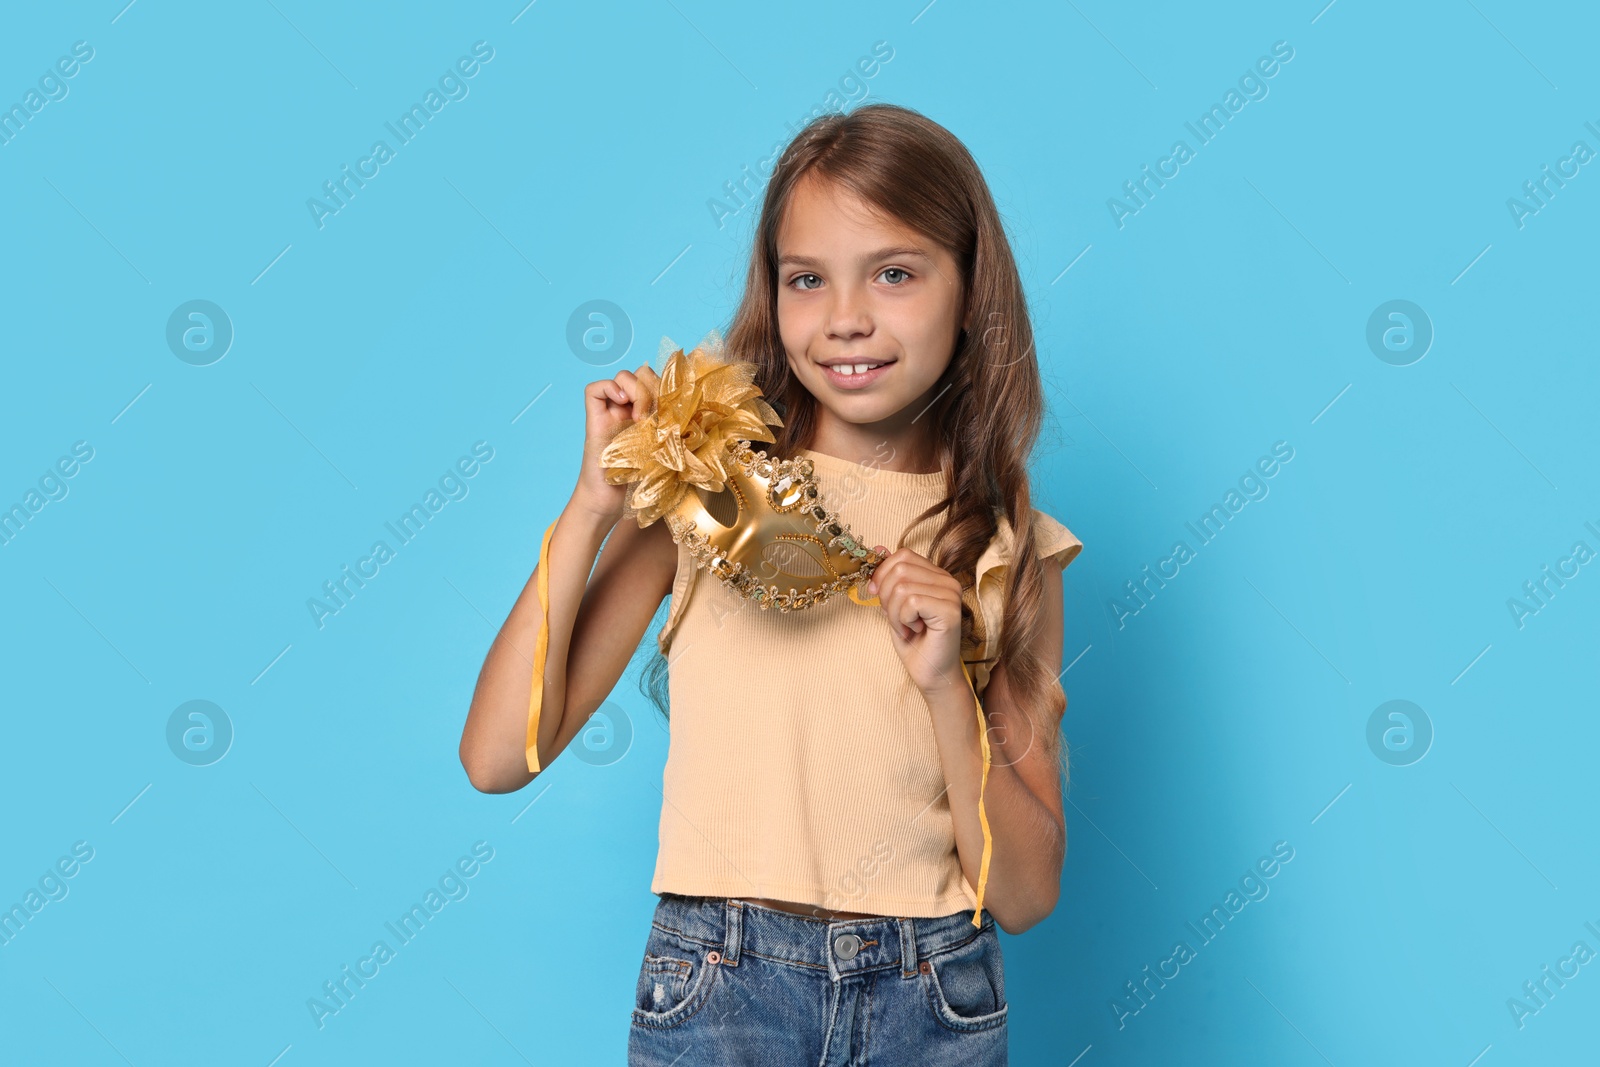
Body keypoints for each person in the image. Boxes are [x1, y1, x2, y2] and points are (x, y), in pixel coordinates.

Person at [457, 102, 1083, 1066]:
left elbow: (1028, 895)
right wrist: (591, 508)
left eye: (896, 272)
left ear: (972, 293)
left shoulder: (1006, 547)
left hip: (933, 994)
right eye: (806, 279)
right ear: (773, 292)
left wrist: (946, 688)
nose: (845, 318)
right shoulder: (709, 491)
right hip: (721, 987)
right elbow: (499, 755)